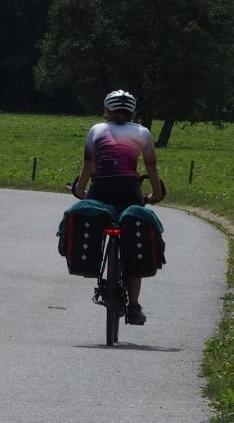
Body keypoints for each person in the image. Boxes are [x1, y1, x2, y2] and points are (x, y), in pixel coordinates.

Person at [70, 89, 163, 325]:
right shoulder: (142, 132)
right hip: (130, 189)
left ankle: (97, 257)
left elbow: (89, 164)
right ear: (133, 111)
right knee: (132, 237)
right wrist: (157, 192)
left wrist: (80, 188)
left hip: (100, 188)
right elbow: (151, 167)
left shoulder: (96, 130)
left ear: (106, 110)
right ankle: (133, 306)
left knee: (97, 221)